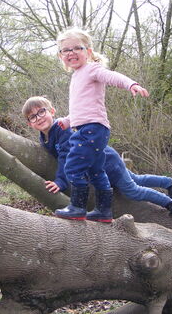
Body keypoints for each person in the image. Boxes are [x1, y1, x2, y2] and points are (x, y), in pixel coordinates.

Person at [22, 96, 172, 223]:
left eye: (41, 111)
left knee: (132, 190)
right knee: (135, 178)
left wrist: (60, 181)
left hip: (106, 162)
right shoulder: (44, 137)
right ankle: (171, 183)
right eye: (33, 117)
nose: (39, 118)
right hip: (100, 161)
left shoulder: (62, 130)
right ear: (29, 123)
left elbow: (67, 158)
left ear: (52, 111)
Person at [52, 27, 150, 223]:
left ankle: (77, 207)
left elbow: (113, 77)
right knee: (96, 170)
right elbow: (82, 108)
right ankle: (104, 211)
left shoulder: (92, 69)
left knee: (73, 166)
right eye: (65, 50)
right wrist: (67, 121)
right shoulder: (77, 76)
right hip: (90, 128)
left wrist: (131, 84)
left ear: (88, 52)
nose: (71, 53)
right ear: (61, 56)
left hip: (91, 129)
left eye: (76, 48)